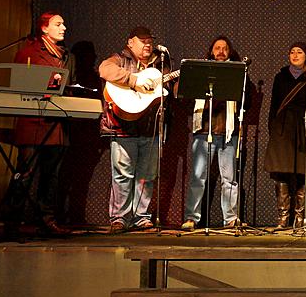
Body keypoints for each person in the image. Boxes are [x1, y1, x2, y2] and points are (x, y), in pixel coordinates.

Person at [4, 11, 73, 236]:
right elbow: (18, 85)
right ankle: (12, 222)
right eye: (58, 24)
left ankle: (47, 220)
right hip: (33, 123)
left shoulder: (65, 55)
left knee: (51, 176)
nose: (63, 28)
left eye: (63, 24)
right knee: (25, 174)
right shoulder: (28, 53)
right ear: (44, 28)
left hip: (56, 125)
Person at [99, 26, 171, 233]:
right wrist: (134, 81)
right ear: (130, 43)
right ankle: (119, 218)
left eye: (150, 40)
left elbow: (169, 91)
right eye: (142, 40)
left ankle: (142, 216)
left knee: (147, 176)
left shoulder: (161, 63)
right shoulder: (119, 59)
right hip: (122, 127)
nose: (148, 44)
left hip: (150, 128)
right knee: (122, 175)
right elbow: (105, 70)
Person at [181, 36, 252, 231]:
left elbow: (248, 99)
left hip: (229, 133)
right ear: (211, 51)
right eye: (217, 48)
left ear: (229, 52)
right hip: (204, 130)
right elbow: (186, 96)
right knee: (198, 177)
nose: (221, 51)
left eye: (225, 48)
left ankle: (230, 218)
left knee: (229, 179)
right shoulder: (202, 71)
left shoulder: (239, 73)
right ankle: (191, 218)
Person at [264, 42, 306, 228]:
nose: (295, 55)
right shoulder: (281, 76)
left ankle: (300, 217)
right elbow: (274, 105)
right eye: (292, 51)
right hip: (282, 129)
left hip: (304, 128)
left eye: (299, 52)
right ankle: (283, 217)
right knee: (281, 172)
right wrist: (273, 128)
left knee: (303, 171)